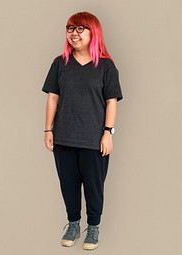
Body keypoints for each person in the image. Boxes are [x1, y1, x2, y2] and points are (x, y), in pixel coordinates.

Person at [42, 11, 123, 250]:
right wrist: (48, 130)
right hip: (64, 137)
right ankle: (73, 224)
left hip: (93, 140)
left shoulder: (106, 66)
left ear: (93, 32)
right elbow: (53, 98)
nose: (74, 34)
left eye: (80, 29)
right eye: (70, 28)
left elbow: (111, 101)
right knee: (68, 184)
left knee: (94, 186)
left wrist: (108, 132)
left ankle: (94, 228)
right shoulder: (60, 64)